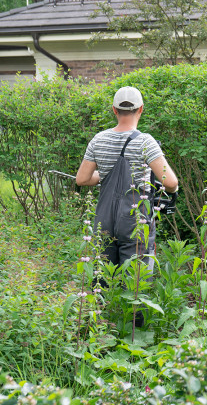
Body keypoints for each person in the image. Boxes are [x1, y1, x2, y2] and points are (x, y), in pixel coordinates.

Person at [76, 86, 178, 268]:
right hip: (135, 223)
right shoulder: (145, 141)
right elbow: (170, 182)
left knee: (104, 279)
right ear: (141, 109)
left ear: (114, 110)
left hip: (104, 220)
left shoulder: (98, 139)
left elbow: (82, 179)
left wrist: (105, 175)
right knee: (135, 281)